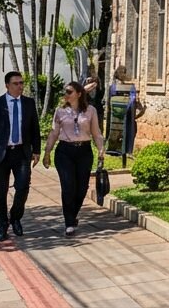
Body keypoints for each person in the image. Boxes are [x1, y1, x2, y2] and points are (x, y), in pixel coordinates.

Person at [0, 70, 40, 242]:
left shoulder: (29, 103)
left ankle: (15, 217)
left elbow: (35, 129)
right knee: (0, 192)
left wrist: (36, 150)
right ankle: (1, 225)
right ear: (7, 85)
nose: (20, 86)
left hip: (21, 153)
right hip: (1, 154)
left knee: (23, 187)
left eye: (21, 83)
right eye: (16, 83)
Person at [42, 81, 105, 236]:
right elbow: (54, 133)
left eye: (69, 92)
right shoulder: (60, 111)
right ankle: (69, 222)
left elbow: (96, 133)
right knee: (68, 186)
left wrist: (101, 149)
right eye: (65, 92)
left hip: (84, 151)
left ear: (79, 94)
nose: (66, 94)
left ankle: (73, 214)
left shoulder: (90, 111)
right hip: (65, 152)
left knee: (82, 188)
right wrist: (47, 152)